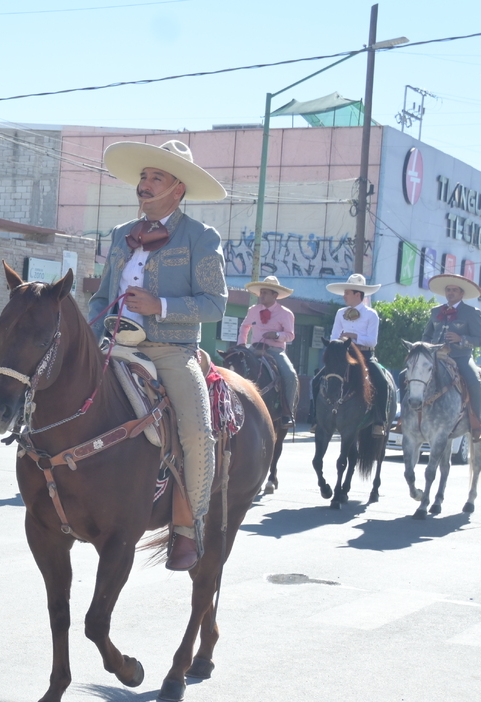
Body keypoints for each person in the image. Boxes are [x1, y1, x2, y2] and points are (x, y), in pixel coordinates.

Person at [88, 139, 227, 571]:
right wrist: (90, 335)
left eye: (156, 178)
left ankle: (187, 528)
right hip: (113, 344)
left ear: (177, 189)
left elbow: (215, 304)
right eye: (143, 176)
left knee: (197, 431)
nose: (144, 184)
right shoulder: (120, 235)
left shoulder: (201, 237)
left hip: (171, 349)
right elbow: (101, 298)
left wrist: (159, 305)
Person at [312, 273, 389, 435]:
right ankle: (316, 418)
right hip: (343, 356)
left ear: (357, 294)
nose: (344, 296)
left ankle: (379, 421)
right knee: (316, 381)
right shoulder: (340, 313)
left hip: (365, 356)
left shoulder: (371, 314)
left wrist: (353, 336)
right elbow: (334, 336)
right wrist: (339, 342)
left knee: (382, 382)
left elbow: (372, 341)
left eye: (347, 293)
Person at [421, 273, 481, 438]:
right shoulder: (435, 311)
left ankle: (477, 424)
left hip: (461, 358)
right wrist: (425, 349)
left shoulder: (471, 312)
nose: (450, 292)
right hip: (435, 358)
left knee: (475, 382)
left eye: (454, 290)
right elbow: (426, 335)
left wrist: (462, 339)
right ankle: (406, 419)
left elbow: (479, 338)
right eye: (448, 290)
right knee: (407, 376)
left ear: (462, 293)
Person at [238, 276, 298, 425]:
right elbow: (244, 327)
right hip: (254, 349)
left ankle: (287, 413)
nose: (261, 295)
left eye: (265, 292)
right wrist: (241, 345)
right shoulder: (253, 310)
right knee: (236, 368)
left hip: (275, 351)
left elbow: (290, 335)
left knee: (290, 375)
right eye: (261, 292)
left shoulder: (286, 313)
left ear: (275, 295)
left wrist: (276, 335)